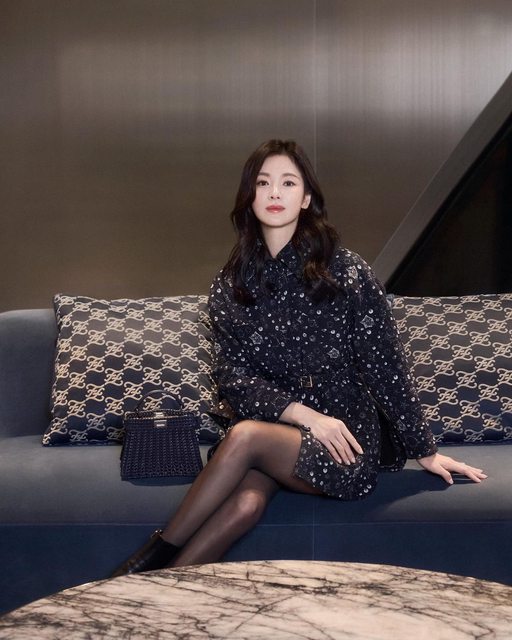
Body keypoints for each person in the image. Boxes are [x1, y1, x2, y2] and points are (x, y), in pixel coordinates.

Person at [111, 139, 487, 576]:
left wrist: (424, 450)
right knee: (245, 505)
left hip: (342, 438)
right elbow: (233, 378)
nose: (275, 193)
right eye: (263, 183)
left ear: (306, 198)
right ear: (250, 196)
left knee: (244, 437)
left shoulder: (345, 270)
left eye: (288, 183)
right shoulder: (231, 283)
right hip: (279, 429)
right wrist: (305, 416)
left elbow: (385, 365)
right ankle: (160, 588)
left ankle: (147, 558)